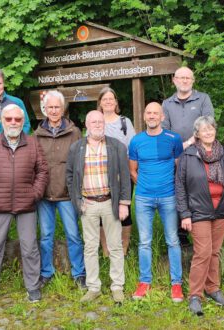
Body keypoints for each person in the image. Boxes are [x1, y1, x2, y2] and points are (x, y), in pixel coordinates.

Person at [0, 104, 48, 307]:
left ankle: (32, 286)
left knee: (30, 247)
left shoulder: (32, 143)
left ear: (23, 122)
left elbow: (42, 171)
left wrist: (35, 193)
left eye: (17, 119)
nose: (13, 123)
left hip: (27, 204)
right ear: (3, 121)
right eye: (9, 119)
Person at [175, 116, 224, 316]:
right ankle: (195, 295)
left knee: (214, 251)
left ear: (215, 131)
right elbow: (180, 186)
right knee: (203, 252)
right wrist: (184, 214)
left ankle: (213, 288)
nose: (208, 132)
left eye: (211, 129)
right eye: (204, 130)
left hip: (221, 210)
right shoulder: (188, 155)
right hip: (198, 211)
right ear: (197, 133)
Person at [66, 110, 131, 303]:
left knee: (116, 246)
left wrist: (124, 203)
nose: (97, 124)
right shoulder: (76, 148)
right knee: (90, 247)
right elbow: (70, 177)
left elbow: (125, 177)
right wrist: (77, 201)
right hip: (88, 204)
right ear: (86, 124)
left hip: (110, 202)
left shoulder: (116, 146)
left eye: (100, 122)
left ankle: (117, 286)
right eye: (93, 121)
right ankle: (94, 287)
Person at [129, 102, 184, 302]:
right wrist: (144, 185)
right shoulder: (136, 141)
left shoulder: (173, 139)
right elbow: (132, 170)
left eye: (156, 113)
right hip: (143, 198)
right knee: (144, 241)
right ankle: (145, 282)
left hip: (169, 196)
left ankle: (176, 284)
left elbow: (180, 168)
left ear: (162, 117)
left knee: (173, 240)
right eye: (149, 113)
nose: (152, 116)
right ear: (144, 116)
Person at [34, 91, 86, 289]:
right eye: (50, 107)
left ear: (62, 109)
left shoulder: (75, 132)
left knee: (73, 235)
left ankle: (79, 273)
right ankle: (46, 272)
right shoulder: (37, 134)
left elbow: (80, 164)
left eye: (57, 107)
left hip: (67, 193)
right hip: (45, 195)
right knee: (46, 236)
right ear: (44, 109)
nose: (54, 111)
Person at [162, 66, 215, 247]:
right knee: (179, 192)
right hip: (176, 157)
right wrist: (179, 148)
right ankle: (181, 234)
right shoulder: (167, 104)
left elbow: (208, 125)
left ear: (193, 81)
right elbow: (165, 132)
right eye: (181, 78)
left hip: (199, 154)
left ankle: (202, 231)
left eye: (188, 78)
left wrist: (192, 141)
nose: (184, 81)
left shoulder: (203, 99)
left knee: (199, 191)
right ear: (174, 80)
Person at [96, 87, 136, 256]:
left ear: (116, 102)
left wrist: (128, 173)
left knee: (124, 213)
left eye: (111, 99)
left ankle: (123, 250)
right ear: (100, 103)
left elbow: (132, 149)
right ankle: (106, 252)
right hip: (100, 176)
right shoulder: (96, 121)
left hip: (123, 175)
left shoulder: (124, 122)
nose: (108, 102)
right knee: (102, 215)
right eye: (105, 99)